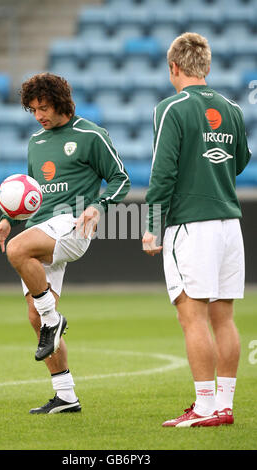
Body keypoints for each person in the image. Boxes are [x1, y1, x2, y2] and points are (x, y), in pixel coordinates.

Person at [0, 73, 130, 414]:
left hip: (73, 224)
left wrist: (99, 206)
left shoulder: (91, 135)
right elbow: (30, 196)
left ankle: (54, 319)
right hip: (42, 229)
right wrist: (7, 220)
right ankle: (66, 396)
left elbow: (120, 179)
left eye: (45, 107)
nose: (39, 115)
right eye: (33, 109)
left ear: (61, 103)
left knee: (17, 251)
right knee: (37, 320)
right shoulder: (36, 143)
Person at [142, 33, 251, 427]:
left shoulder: (171, 108)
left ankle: (204, 407)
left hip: (191, 224)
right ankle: (224, 405)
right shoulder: (233, 108)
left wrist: (151, 225)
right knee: (224, 318)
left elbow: (163, 172)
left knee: (193, 317)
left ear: (174, 67)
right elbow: (240, 161)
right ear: (206, 66)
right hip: (229, 225)